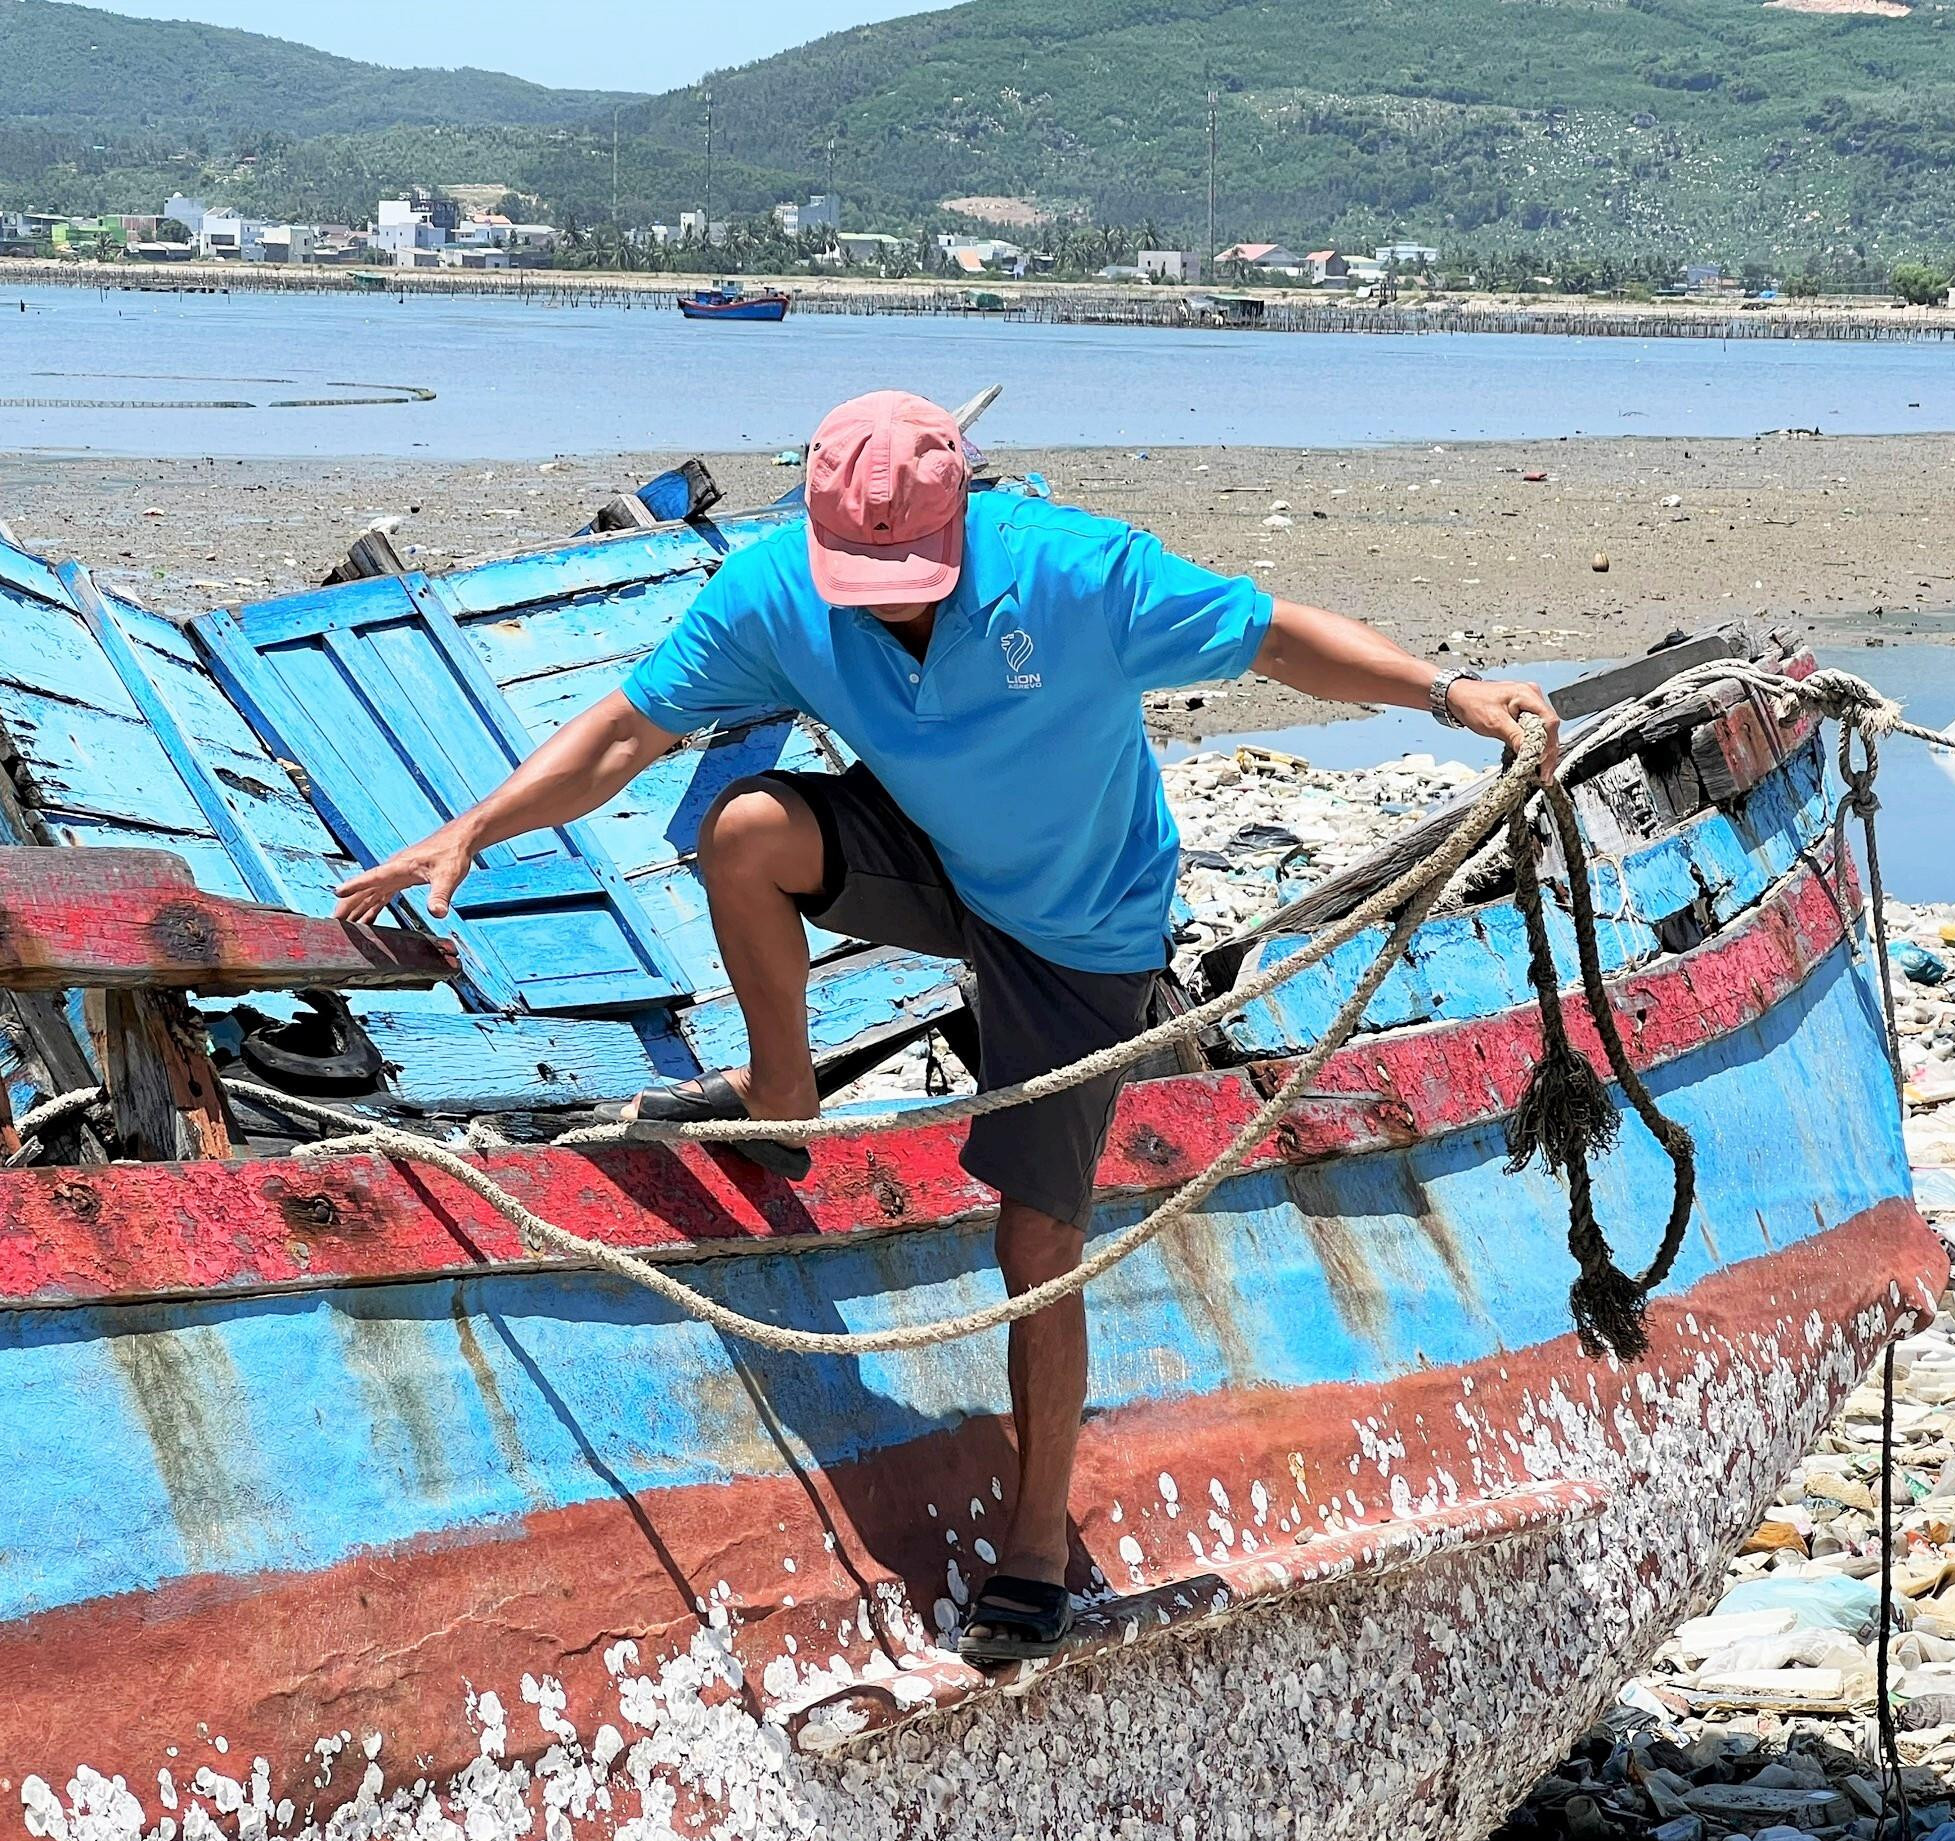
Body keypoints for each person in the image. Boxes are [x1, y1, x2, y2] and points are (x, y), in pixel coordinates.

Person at [337, 391, 1560, 1665]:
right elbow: (627, 733)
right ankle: (781, 1097)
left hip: (1080, 928)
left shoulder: (1075, 572)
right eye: (863, 579)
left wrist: (1445, 692)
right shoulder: (776, 593)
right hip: (933, 858)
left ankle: (1037, 1542)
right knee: (743, 831)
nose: (889, 602)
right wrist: (477, 827)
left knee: (1037, 1237)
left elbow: (1274, 640)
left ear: (965, 514)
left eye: (911, 574)